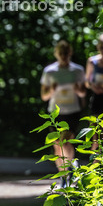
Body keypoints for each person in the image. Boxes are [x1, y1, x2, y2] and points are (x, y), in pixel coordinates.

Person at [40, 39, 86, 187]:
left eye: (66, 53)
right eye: (61, 53)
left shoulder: (77, 70)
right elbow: (44, 96)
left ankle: (70, 172)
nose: (64, 56)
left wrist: (78, 90)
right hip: (54, 113)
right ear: (56, 54)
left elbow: (83, 92)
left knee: (65, 142)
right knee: (57, 146)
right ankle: (64, 177)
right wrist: (52, 89)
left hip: (72, 111)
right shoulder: (50, 71)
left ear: (70, 53)